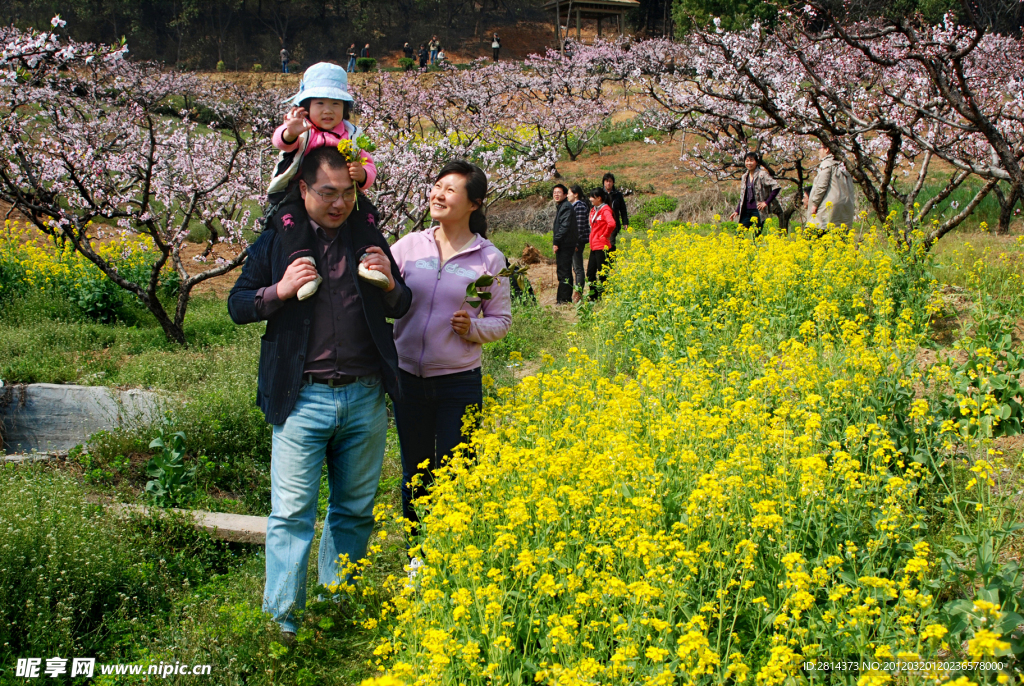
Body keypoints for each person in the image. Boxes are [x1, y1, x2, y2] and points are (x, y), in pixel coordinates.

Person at [227, 146, 413, 642]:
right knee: (291, 513)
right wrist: (281, 290)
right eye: (327, 193)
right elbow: (237, 304)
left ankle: (340, 604)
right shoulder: (277, 241)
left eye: (348, 193)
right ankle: (283, 619)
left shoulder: (368, 236)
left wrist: (392, 283)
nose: (339, 203)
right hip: (301, 398)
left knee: (354, 510)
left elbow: (401, 303)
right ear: (304, 190)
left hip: (365, 396)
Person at [389, 160, 511, 536]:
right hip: (408, 378)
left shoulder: (488, 258)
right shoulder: (409, 246)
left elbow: (502, 320)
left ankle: (454, 552)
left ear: (473, 203)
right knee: (416, 471)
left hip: (459, 381)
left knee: (457, 470)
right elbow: (380, 291)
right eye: (437, 186)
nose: (438, 195)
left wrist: (472, 328)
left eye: (450, 189)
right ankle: (418, 558)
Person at [266, 62, 379, 300]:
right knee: (291, 221)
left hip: (341, 193)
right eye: (320, 103)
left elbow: (368, 163)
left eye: (335, 104)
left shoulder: (351, 134)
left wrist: (363, 175)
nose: (328, 110)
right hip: (296, 192)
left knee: (366, 214)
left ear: (344, 108)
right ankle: (304, 266)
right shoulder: (303, 130)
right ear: (305, 106)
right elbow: (281, 142)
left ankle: (367, 259)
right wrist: (291, 131)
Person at [729, 151, 780, 235]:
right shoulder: (744, 177)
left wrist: (766, 202)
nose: (749, 163)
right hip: (746, 210)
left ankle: (756, 248)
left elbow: (776, 186)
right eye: (747, 160)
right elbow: (743, 196)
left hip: (758, 210)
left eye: (751, 160)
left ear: (756, 162)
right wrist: (737, 211)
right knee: (738, 234)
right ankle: (740, 248)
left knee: (757, 235)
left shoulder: (762, 174)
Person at [807, 142, 855, 230]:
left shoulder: (827, 164)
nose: (819, 151)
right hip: (846, 208)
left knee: (816, 234)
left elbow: (822, 186)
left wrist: (815, 204)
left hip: (828, 209)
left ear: (827, 149)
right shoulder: (845, 165)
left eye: (820, 148)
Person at [551, 184, 578, 305]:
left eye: (559, 192)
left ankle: (564, 300)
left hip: (565, 244)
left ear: (565, 195)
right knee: (563, 271)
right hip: (565, 243)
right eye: (554, 192)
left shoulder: (566, 207)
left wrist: (556, 241)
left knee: (564, 272)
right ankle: (563, 299)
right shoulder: (562, 206)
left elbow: (564, 226)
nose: (556, 194)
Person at [587, 187, 614, 301]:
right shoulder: (594, 209)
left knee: (602, 273)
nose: (590, 199)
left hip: (602, 245)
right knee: (590, 273)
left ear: (599, 198)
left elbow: (611, 224)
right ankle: (594, 296)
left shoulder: (605, 209)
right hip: (594, 245)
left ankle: (605, 296)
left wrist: (605, 234)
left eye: (592, 197)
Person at [568, 185, 590, 303]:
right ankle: (577, 292)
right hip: (574, 241)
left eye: (569, 193)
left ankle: (579, 294)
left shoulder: (580, 207)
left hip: (577, 242)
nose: (567, 195)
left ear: (576, 194)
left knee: (578, 268)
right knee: (576, 268)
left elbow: (580, 227)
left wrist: (576, 243)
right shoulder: (575, 206)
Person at [602, 173, 628, 252]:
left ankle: (611, 260)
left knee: (611, 242)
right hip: (602, 223)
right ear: (603, 182)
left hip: (613, 222)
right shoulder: (600, 194)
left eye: (610, 181)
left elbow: (623, 209)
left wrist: (625, 222)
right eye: (606, 181)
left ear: (613, 183)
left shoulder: (618, 195)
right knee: (602, 242)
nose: (608, 183)